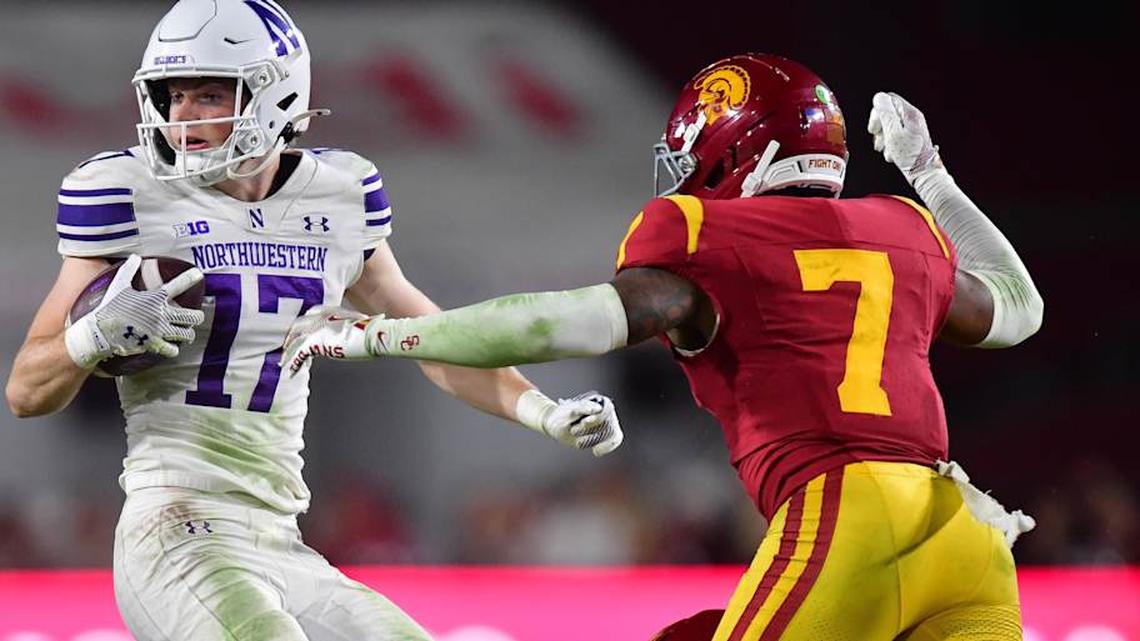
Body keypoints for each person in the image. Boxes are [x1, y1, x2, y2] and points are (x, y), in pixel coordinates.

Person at [285, 53, 1044, 640]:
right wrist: (931, 174)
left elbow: (552, 323)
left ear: (734, 150)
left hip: (850, 513)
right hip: (969, 535)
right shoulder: (903, 227)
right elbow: (1020, 307)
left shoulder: (709, 235)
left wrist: (371, 335)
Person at [4, 1, 621, 640]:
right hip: (177, 527)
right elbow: (25, 390)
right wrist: (92, 336)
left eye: (209, 94)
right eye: (172, 95)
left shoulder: (340, 194)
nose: (181, 117)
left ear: (277, 95)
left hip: (279, 538)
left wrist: (541, 412)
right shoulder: (124, 191)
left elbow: (434, 341)